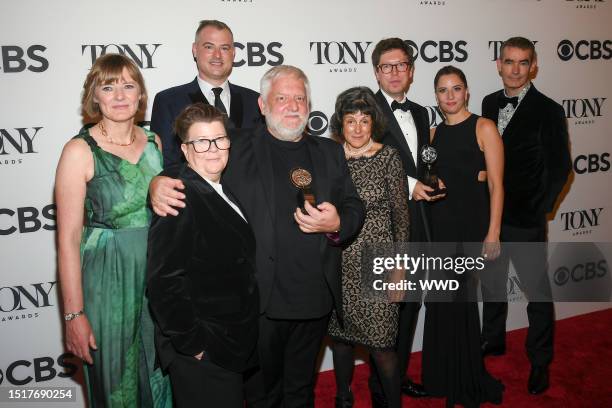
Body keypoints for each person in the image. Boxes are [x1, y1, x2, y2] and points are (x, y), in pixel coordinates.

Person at [149, 65, 365, 408]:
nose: (293, 106)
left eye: (300, 98)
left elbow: (354, 206)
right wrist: (157, 182)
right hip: (258, 305)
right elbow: (194, 162)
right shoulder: (233, 143)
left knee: (300, 392)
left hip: (315, 300)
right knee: (261, 396)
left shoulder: (330, 151)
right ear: (263, 105)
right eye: (282, 98)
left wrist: (338, 222)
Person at [55, 53, 172, 407]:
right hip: (107, 281)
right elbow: (68, 241)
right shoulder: (79, 151)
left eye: (128, 86)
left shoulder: (155, 144)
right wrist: (74, 316)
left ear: (140, 95)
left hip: (156, 276)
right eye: (108, 87)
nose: (119, 95)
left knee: (160, 372)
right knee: (116, 381)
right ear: (95, 96)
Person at [146, 103, 259, 408]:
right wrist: (193, 344)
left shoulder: (222, 189)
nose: (213, 149)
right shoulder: (179, 195)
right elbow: (163, 282)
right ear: (185, 149)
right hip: (204, 349)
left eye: (220, 139)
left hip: (228, 342)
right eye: (201, 142)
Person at [481, 37, 572, 395]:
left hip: (525, 219)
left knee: (537, 293)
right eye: (509, 62)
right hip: (491, 216)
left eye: (523, 63)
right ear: (498, 64)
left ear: (532, 66)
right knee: (491, 284)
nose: (515, 69)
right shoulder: (488, 102)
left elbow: (561, 166)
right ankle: (493, 340)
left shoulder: (548, 110)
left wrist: (540, 206)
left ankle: (540, 361)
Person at [422, 65, 505, 407]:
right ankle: (441, 377)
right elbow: (433, 179)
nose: (450, 96)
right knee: (442, 302)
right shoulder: (432, 134)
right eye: (443, 90)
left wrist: (493, 232)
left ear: (467, 92)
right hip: (440, 226)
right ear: (436, 96)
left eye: (456, 88)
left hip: (471, 227)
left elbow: (498, 186)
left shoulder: (484, 127)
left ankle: (465, 381)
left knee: (462, 303)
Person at [327, 86, 410, 408]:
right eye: (351, 121)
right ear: (340, 124)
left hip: (380, 265)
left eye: (364, 121)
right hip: (339, 263)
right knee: (342, 341)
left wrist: (400, 271)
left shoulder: (388, 157)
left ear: (373, 123)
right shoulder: (330, 157)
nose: (358, 128)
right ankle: (343, 398)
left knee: (383, 346)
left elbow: (402, 220)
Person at [370, 37, 441, 404]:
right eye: (387, 66)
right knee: (384, 313)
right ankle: (382, 392)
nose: (395, 72)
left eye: (401, 65)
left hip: (420, 224)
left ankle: (395, 379)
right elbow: (364, 163)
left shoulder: (421, 112)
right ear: (376, 72)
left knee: (410, 306)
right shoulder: (364, 110)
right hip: (384, 226)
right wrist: (411, 184)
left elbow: (420, 161)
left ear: (411, 71)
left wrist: (429, 179)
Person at [151, 19, 262, 167]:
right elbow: (167, 163)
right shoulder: (168, 101)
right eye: (209, 47)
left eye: (224, 48)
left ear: (233, 53)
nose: (217, 55)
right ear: (195, 50)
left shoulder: (255, 101)